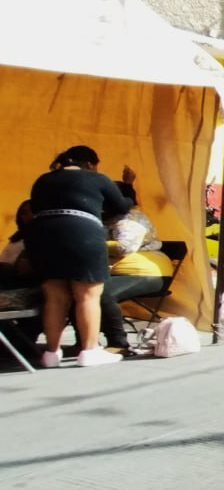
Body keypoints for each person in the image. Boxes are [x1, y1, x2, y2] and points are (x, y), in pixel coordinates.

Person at [26, 146, 132, 368]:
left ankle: (51, 354)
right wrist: (129, 188)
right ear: (90, 164)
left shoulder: (43, 180)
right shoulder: (97, 178)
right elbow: (122, 206)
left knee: (54, 297)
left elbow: (34, 207)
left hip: (43, 235)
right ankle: (90, 350)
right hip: (81, 234)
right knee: (87, 295)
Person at [99, 180, 173, 355]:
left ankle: (118, 343)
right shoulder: (109, 219)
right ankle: (85, 342)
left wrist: (92, 244)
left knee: (101, 293)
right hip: (118, 272)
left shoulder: (131, 219)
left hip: (147, 273)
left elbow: (124, 246)